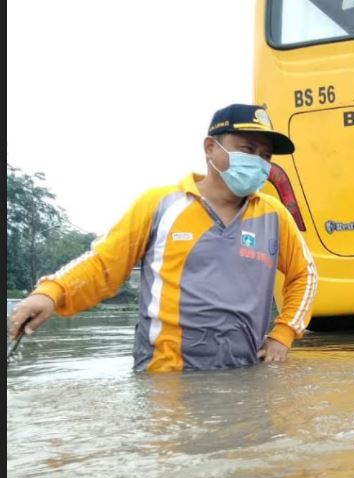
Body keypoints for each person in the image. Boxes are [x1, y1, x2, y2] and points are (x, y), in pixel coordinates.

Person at [7, 104, 317, 371]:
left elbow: (306, 275)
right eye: (247, 150)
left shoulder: (274, 216)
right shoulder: (161, 205)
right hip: (164, 376)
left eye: (265, 156)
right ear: (210, 147)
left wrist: (283, 334)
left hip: (244, 374)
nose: (258, 162)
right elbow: (103, 264)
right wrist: (49, 293)